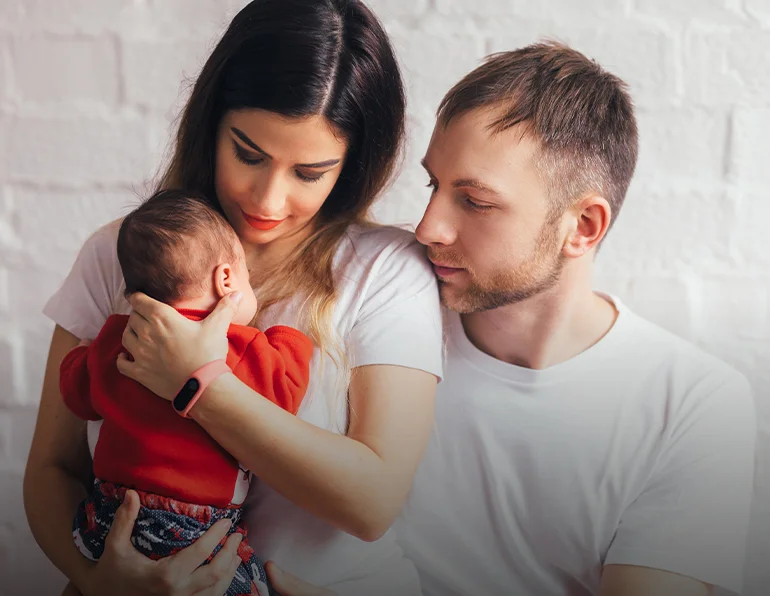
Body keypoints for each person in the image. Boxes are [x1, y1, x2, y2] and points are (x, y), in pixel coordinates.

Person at [231, 42, 758, 596]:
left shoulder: (695, 403)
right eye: (433, 185)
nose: (428, 226)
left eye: (475, 202)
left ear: (582, 226)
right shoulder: (377, 318)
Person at [23, 1, 442, 595]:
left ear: (351, 164)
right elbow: (51, 467)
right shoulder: (120, 252)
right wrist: (97, 582)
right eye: (248, 154)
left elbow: (371, 503)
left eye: (310, 172)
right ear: (212, 122)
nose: (269, 200)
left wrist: (197, 380)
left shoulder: (385, 272)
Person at [60, 190, 316, 596]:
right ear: (227, 279)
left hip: (104, 520)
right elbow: (282, 396)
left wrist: (79, 357)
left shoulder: (114, 338)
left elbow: (76, 396)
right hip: (192, 527)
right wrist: (289, 339)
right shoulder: (239, 346)